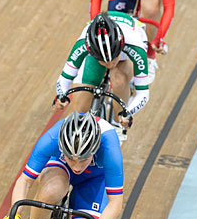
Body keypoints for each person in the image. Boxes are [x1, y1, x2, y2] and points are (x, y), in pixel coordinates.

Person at [54, 11, 150, 140]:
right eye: (103, 61)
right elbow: (64, 79)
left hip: (127, 50)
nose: (110, 64)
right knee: (81, 107)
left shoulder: (135, 46)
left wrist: (128, 112)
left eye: (113, 59)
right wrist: (62, 95)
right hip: (104, 48)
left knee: (119, 80)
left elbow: (143, 93)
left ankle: (117, 125)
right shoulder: (82, 44)